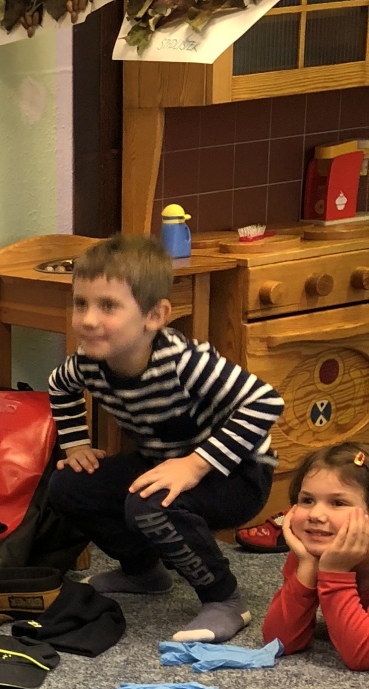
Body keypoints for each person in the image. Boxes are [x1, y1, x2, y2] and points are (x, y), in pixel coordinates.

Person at [46, 234, 284, 643]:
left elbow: (265, 402)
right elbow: (59, 386)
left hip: (238, 473)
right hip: (163, 461)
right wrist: (76, 445)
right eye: (80, 303)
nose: (88, 319)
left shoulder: (185, 362)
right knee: (68, 485)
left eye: (108, 306)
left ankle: (224, 599)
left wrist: (196, 464)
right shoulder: (87, 363)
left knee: (149, 503)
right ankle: (143, 572)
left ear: (154, 316)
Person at [261, 443, 369, 672]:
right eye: (307, 500)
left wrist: (335, 575)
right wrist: (307, 567)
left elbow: (362, 656)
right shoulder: (312, 551)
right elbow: (278, 641)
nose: (316, 515)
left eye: (338, 503)